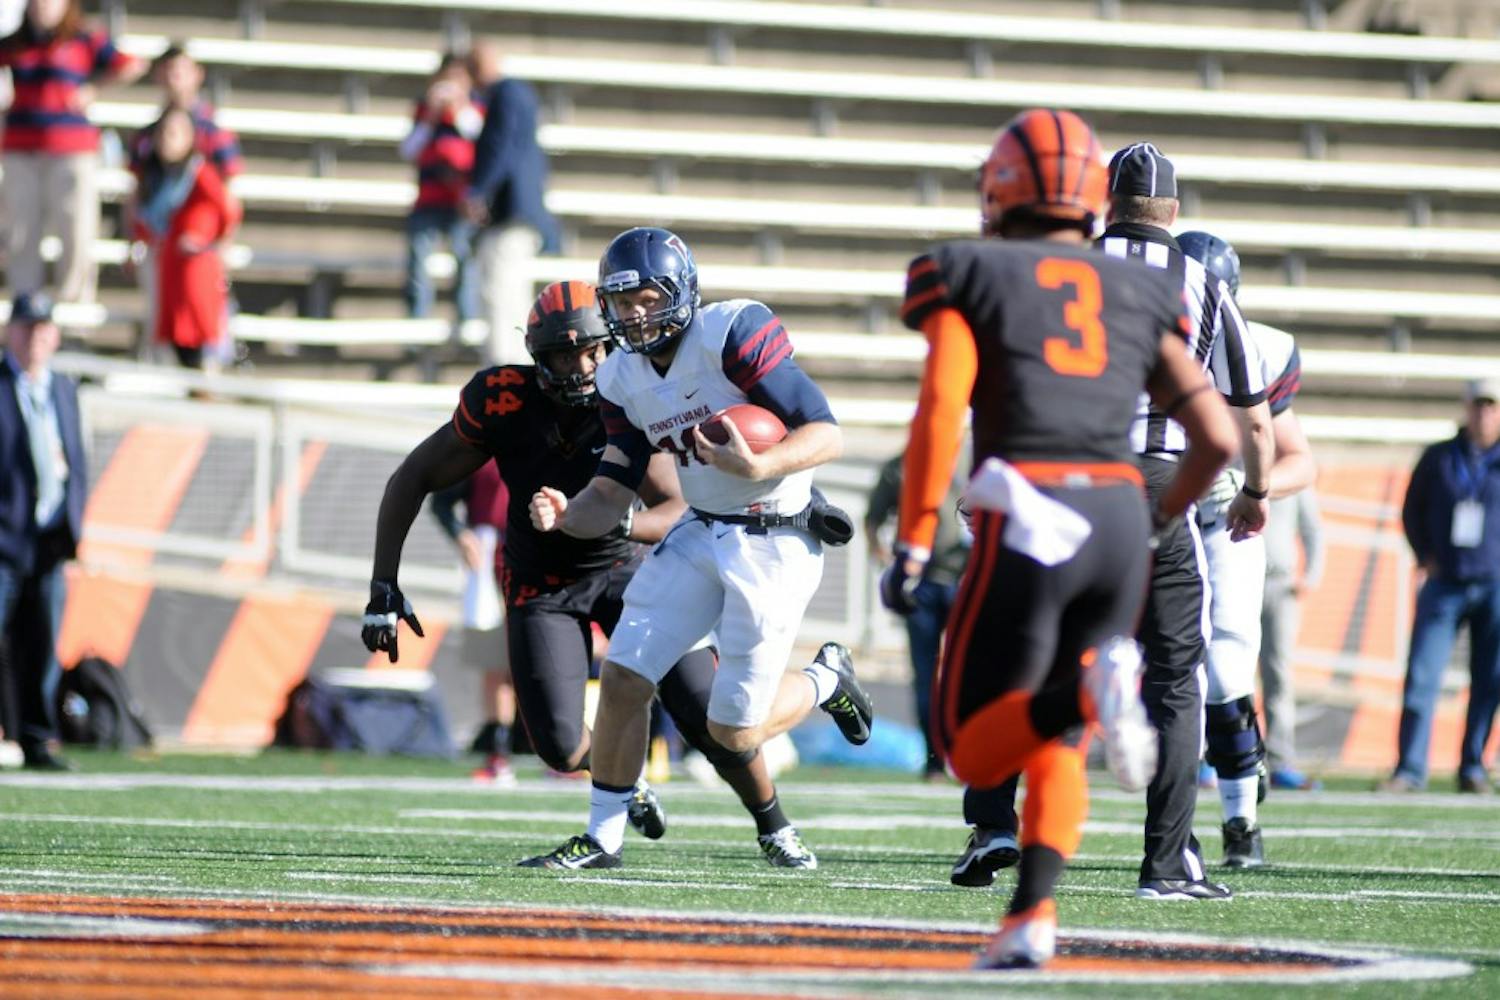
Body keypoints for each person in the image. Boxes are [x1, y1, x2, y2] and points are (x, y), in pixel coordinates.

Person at [884, 108, 1236, 969]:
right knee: (1060, 741)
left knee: (972, 740)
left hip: (1032, 509)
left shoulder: (966, 270)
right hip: (1124, 515)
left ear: (999, 188)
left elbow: (941, 408)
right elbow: (1219, 437)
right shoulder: (1154, 283)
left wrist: (914, 538)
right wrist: (1157, 516)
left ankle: (1084, 699)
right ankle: (1031, 917)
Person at [365, 278, 825, 869]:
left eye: (592, 350)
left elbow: (674, 506)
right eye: (563, 353)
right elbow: (413, 476)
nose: (581, 366)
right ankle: (621, 786)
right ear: (538, 355)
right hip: (542, 584)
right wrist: (384, 585)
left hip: (625, 569)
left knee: (705, 712)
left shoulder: (633, 392)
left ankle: (774, 825)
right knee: (558, 745)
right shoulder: (505, 399)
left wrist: (618, 525)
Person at [521, 227, 873, 870]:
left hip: (774, 537)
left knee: (732, 731)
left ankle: (825, 679)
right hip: (701, 528)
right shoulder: (622, 375)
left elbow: (827, 434)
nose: (634, 315)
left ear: (680, 292)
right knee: (626, 676)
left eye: (647, 298)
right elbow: (612, 488)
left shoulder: (731, 333)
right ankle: (602, 839)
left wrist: (761, 469)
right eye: (622, 303)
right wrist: (569, 515)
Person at [1099, 144, 1272, 900]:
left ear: (1107, 201)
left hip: (1065, 477)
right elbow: (1251, 413)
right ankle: (1165, 863)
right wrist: (1255, 491)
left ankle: (996, 824)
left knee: (1030, 651)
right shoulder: (1200, 281)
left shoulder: (1060, 264)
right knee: (1176, 678)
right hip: (1161, 478)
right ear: (1173, 211)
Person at [1178, 230, 1317, 867]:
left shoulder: (1260, 349)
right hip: (1152, 521)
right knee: (1156, 673)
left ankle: (1241, 823)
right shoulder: (1132, 340)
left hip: (1223, 525)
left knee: (1228, 669)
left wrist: (1253, 491)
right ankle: (1174, 824)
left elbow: (1299, 461)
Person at [866, 449, 1022, 887]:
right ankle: (943, 764)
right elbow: (875, 514)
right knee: (939, 677)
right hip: (935, 576)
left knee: (981, 681)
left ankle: (993, 819)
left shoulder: (974, 450)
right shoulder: (899, 465)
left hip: (967, 572)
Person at [1382, 376, 1500, 794]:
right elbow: (1412, 509)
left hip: (1494, 583)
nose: (1484, 413)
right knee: (1422, 676)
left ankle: (1473, 767)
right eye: (1478, 405)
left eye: (1492, 405)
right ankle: (1410, 769)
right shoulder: (1439, 457)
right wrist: (1424, 554)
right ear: (1466, 408)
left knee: (1489, 680)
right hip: (1445, 580)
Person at [0, 0, 143, 307]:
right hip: (21, 148)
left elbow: (131, 63)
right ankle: (25, 305)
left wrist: (93, 88)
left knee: (76, 228)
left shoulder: (85, 39)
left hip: (71, 149)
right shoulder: (15, 43)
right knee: (22, 230)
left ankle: (73, 307)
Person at [0, 291, 88, 771]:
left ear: (53, 336)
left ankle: (37, 738)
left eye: (41, 329)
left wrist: (73, 518)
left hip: (48, 539)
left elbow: (75, 458)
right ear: (9, 332)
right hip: (4, 537)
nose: (33, 337)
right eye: (25, 327)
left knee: (43, 643)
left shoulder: (63, 390)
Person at [463, 40, 560, 367]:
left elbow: (498, 147)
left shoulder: (505, 94)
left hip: (511, 211)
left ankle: (505, 364)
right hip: (522, 210)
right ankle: (513, 360)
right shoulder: (519, 94)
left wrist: (476, 190)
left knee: (500, 290)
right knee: (512, 289)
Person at [130, 108, 241, 371]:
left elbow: (229, 208)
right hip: (168, 262)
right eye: (163, 133)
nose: (168, 139)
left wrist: (215, 240)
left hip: (195, 266)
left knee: (199, 329)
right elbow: (144, 221)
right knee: (171, 332)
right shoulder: (155, 176)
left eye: (175, 133)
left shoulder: (198, 172)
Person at [429, 460, 514, 784]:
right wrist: (460, 533)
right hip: (489, 552)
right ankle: (498, 754)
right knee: (493, 660)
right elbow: (441, 502)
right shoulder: (480, 443)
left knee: (542, 656)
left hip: (539, 551)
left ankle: (570, 753)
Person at [400, 52, 483, 326]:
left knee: (465, 257)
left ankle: (467, 317)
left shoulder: (476, 110)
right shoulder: (425, 111)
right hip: (429, 200)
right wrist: (432, 117)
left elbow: (479, 138)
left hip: (461, 202)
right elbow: (409, 149)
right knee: (418, 257)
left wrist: (457, 108)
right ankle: (418, 317)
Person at [1261, 486, 1325, 791]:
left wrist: (1310, 575)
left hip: (1280, 584)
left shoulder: (1295, 468)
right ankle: (1216, 757)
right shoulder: (1235, 462)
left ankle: (1279, 760)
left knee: (1279, 675)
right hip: (1235, 580)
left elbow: (1312, 529)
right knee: (1227, 674)